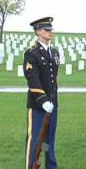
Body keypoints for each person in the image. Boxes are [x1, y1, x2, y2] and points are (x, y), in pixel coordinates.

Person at [24, 17, 59, 169]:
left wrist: (52, 100)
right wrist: (43, 100)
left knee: (49, 138)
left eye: (50, 29)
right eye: (46, 29)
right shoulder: (32, 53)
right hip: (38, 103)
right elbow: (32, 78)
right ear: (38, 31)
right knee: (35, 138)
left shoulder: (54, 52)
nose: (50, 32)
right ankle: (32, 165)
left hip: (53, 102)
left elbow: (52, 78)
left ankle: (51, 165)